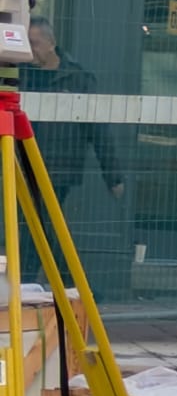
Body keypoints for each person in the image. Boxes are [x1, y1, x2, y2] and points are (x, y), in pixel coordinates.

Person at [20, 18, 130, 298]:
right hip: (24, 165)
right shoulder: (20, 75)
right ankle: (63, 286)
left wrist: (113, 175)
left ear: (51, 43)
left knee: (41, 223)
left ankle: (61, 284)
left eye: (34, 44)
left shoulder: (78, 79)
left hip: (60, 166)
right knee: (41, 225)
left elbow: (99, 129)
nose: (30, 51)